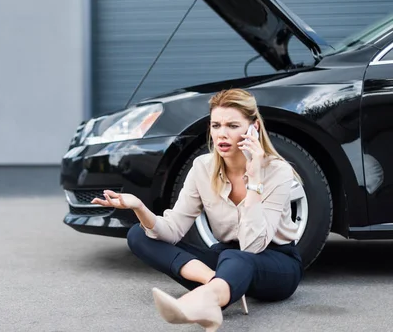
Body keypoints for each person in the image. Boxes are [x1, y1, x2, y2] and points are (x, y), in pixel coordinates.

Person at [91, 88, 304, 331]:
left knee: (235, 257)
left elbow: (252, 246)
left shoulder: (277, 171)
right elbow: (172, 229)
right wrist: (139, 207)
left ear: (253, 128)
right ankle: (216, 285)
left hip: (276, 263)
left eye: (232, 126)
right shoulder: (202, 167)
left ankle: (204, 299)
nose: (221, 134)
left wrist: (253, 180)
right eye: (216, 125)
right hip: (225, 259)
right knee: (139, 234)